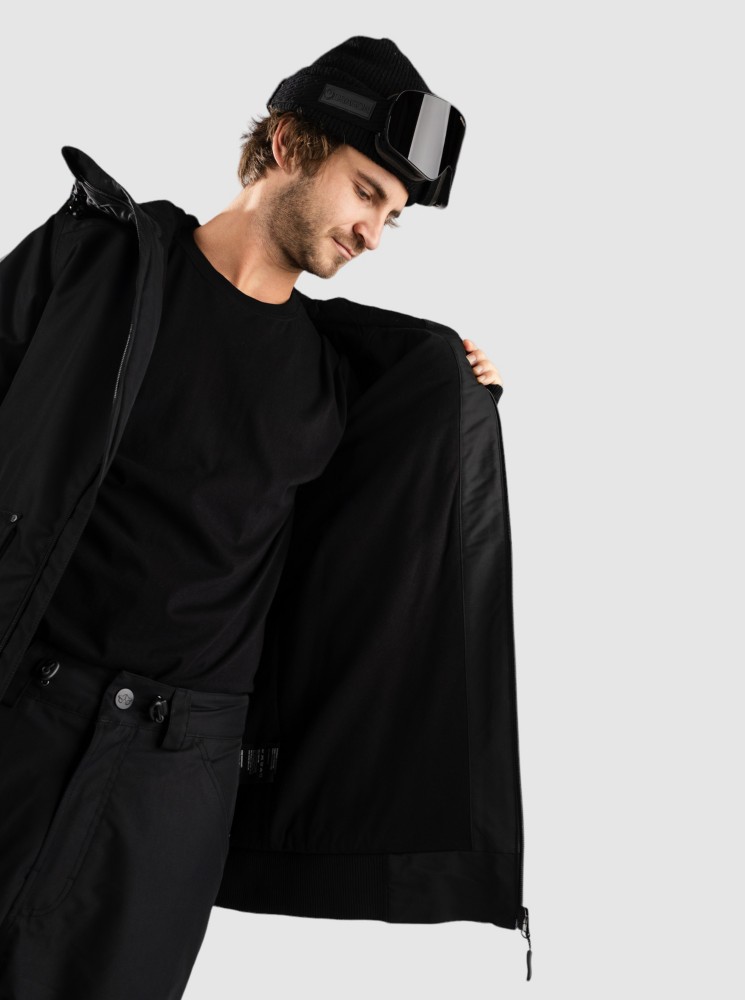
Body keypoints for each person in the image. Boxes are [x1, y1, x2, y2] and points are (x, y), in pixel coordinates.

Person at [0, 36, 508, 999]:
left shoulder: (337, 383)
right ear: (287, 145)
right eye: (367, 192)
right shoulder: (100, 264)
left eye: (394, 218)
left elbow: (379, 560)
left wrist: (453, 397)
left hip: (170, 793)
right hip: (23, 717)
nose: (373, 233)